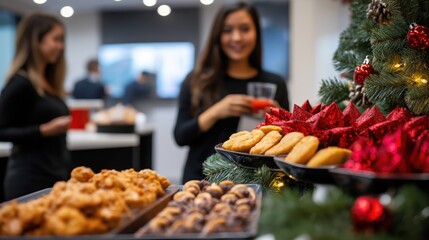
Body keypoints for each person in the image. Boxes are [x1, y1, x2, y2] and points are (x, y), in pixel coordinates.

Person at [174, 1, 289, 183]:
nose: (236, 38)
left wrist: (279, 120)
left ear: (256, 33)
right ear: (218, 35)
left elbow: (285, 144)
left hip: (259, 182)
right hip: (201, 180)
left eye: (244, 29)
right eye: (227, 30)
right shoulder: (196, 81)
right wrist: (216, 111)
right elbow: (180, 136)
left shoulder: (274, 83)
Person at [0, 13, 71, 200]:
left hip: (54, 176)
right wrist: (44, 130)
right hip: (30, 180)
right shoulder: (21, 83)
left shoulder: (47, 84)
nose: (60, 47)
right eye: (56, 39)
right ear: (36, 41)